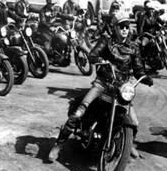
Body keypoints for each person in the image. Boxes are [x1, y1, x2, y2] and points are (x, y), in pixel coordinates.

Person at [47, 13, 152, 162]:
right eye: (121, 26)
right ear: (115, 28)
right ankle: (58, 145)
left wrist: (144, 76)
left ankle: (126, 144)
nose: (124, 29)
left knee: (134, 122)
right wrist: (100, 59)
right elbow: (93, 55)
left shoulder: (133, 47)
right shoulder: (106, 41)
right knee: (79, 112)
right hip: (103, 83)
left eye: (127, 27)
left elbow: (138, 68)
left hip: (121, 88)